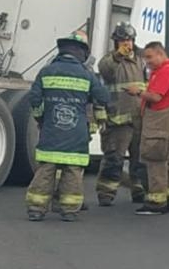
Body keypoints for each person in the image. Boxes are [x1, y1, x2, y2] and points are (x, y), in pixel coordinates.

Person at [26, 31, 109, 222]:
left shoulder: (46, 71)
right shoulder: (86, 75)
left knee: (45, 170)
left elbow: (35, 99)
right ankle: (69, 210)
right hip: (77, 132)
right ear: (82, 52)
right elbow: (103, 97)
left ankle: (36, 209)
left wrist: (41, 119)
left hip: (51, 130)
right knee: (72, 171)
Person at [95, 22, 148, 206]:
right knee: (113, 158)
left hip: (139, 119)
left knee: (139, 158)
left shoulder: (142, 61)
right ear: (116, 42)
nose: (127, 44)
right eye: (122, 41)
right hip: (117, 120)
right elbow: (105, 69)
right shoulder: (110, 61)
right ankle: (106, 193)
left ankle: (139, 189)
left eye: (129, 40)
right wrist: (118, 55)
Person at [129, 41, 169, 215]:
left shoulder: (165, 71)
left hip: (160, 119)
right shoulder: (168, 69)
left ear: (160, 54)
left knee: (156, 159)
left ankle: (156, 202)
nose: (147, 61)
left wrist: (137, 92)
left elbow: (156, 97)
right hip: (167, 117)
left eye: (150, 57)